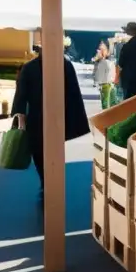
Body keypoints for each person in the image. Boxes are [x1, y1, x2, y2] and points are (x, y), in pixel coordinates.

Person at [12, 45, 90, 193]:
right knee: (55, 149)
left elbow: (21, 95)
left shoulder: (29, 68)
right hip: (59, 116)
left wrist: (19, 115)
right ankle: (53, 178)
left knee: (38, 150)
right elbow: (74, 93)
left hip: (36, 117)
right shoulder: (65, 65)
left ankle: (45, 179)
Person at [92, 41, 116, 108]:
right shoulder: (102, 62)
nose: (99, 51)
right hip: (105, 84)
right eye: (99, 50)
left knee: (106, 103)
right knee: (107, 103)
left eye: (102, 50)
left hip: (106, 83)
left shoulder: (107, 62)